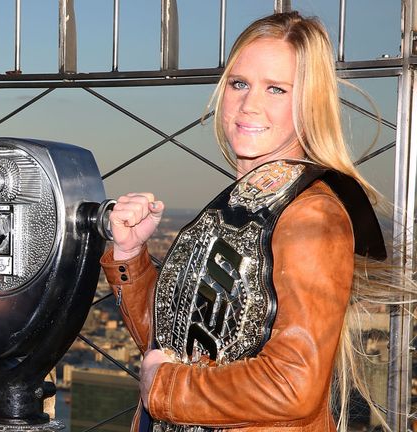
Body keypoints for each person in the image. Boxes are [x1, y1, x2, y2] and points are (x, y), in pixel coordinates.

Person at [102, 12, 390, 432]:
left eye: (276, 88)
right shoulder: (245, 201)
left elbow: (293, 384)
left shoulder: (313, 214)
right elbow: (180, 340)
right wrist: (131, 255)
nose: (249, 104)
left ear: (309, 101)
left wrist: (164, 387)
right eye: (239, 84)